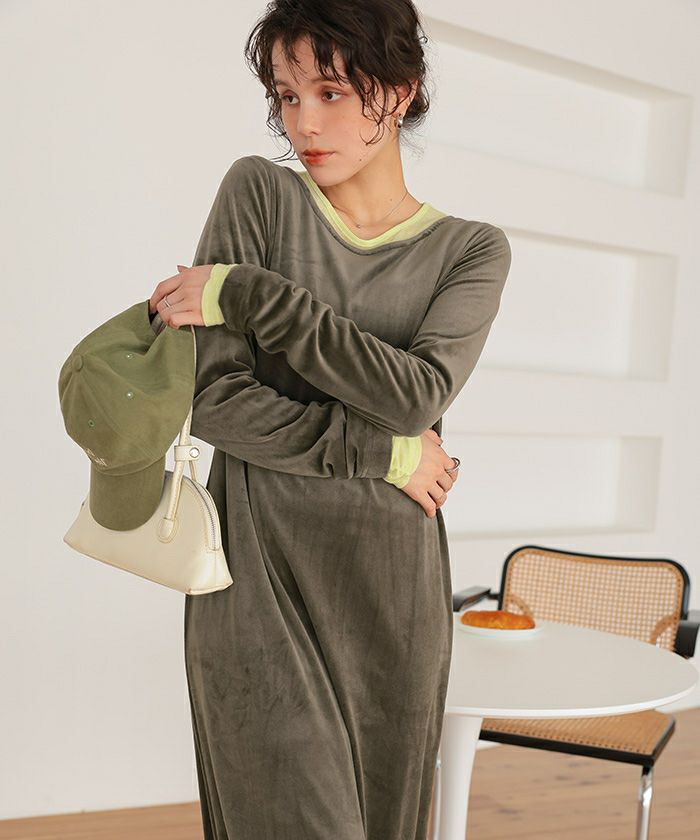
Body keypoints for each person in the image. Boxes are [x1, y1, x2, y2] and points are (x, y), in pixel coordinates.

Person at [149, 1, 511, 837]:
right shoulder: (260, 194)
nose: (303, 122)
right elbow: (212, 399)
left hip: (392, 593)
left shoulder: (470, 250)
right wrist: (387, 456)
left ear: (401, 89)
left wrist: (249, 294)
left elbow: (416, 395)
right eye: (286, 95)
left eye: (331, 92)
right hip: (257, 579)